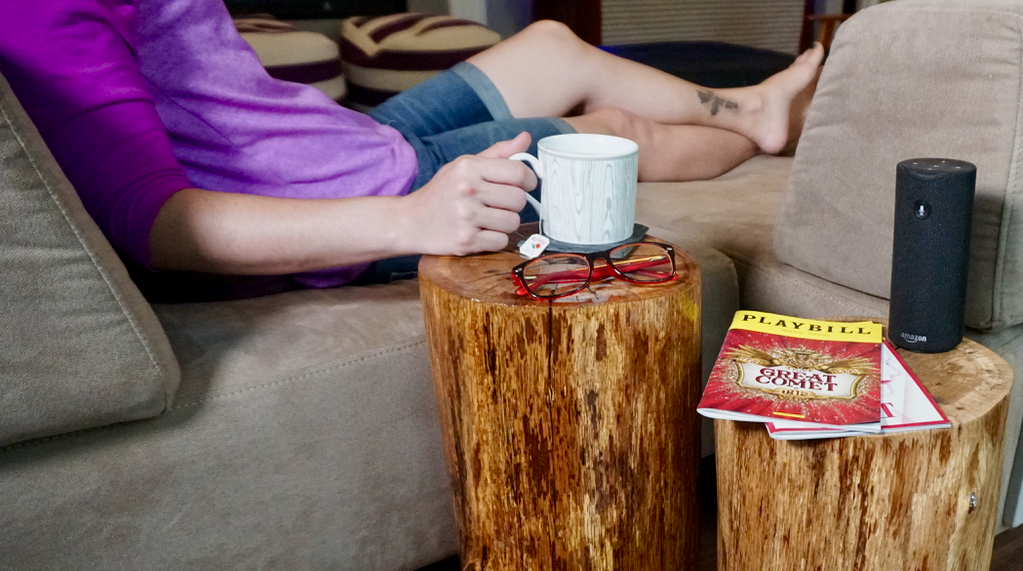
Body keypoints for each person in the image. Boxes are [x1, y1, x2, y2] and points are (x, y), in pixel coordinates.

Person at [0, 0, 824, 301]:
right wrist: (411, 219)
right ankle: (771, 138)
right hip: (346, 198)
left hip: (342, 140)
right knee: (609, 136)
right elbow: (154, 224)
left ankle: (754, 111)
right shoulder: (36, 12)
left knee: (551, 46)